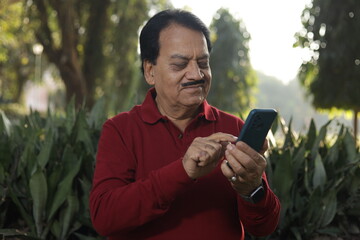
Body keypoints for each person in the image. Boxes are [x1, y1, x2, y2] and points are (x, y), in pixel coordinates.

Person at [90, 9, 280, 240]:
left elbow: (264, 227)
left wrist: (252, 189)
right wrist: (183, 170)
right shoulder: (120, 130)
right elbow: (105, 218)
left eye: (203, 62)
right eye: (180, 64)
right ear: (150, 71)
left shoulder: (233, 128)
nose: (196, 74)